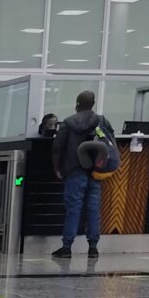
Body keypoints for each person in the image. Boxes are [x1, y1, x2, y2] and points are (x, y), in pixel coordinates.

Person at [51, 91, 114, 259]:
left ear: (77, 103)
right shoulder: (102, 121)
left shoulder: (68, 123)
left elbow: (57, 147)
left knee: (73, 209)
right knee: (93, 209)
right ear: (93, 103)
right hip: (95, 173)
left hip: (74, 171)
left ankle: (66, 247)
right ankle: (93, 248)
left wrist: (57, 169)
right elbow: (111, 143)